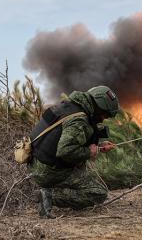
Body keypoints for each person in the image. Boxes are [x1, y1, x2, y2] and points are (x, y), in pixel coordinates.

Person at [27, 86, 120, 218]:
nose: (103, 119)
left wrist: (98, 146)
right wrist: (89, 152)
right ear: (98, 107)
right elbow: (65, 151)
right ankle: (49, 196)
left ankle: (49, 190)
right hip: (47, 171)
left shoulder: (68, 107)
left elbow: (61, 140)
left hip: (36, 163)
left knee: (82, 169)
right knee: (98, 193)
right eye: (104, 115)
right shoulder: (79, 120)